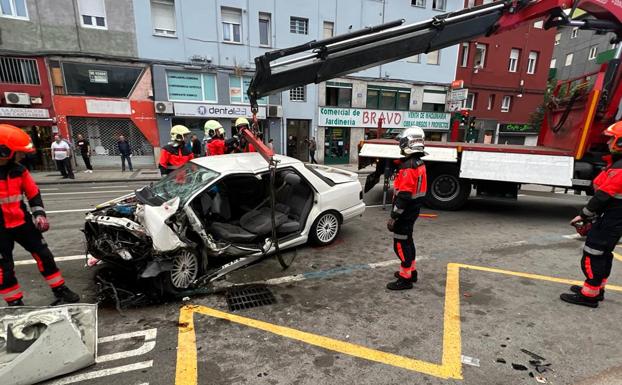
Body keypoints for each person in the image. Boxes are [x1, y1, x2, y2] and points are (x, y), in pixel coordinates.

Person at [0, 124, 80, 306]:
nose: (22, 155)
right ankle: (14, 302)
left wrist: (39, 215)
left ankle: (59, 289)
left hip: (22, 223)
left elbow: (33, 193)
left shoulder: (19, 170)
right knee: (4, 268)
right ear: (3, 151)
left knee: (44, 255)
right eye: (18, 152)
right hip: (0, 230)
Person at [562, 122, 622, 307]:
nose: (609, 142)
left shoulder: (620, 168)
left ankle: (589, 295)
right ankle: (596, 289)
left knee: (593, 254)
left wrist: (584, 215)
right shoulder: (618, 164)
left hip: (610, 222)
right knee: (603, 254)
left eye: (612, 138)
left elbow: (603, 196)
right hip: (613, 220)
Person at [386, 127, 427, 291]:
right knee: (408, 241)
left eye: (401, 142)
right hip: (413, 210)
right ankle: (412, 272)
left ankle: (405, 279)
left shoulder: (408, 166)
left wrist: (394, 216)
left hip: (405, 212)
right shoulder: (419, 163)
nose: (399, 145)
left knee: (400, 245)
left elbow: (403, 195)